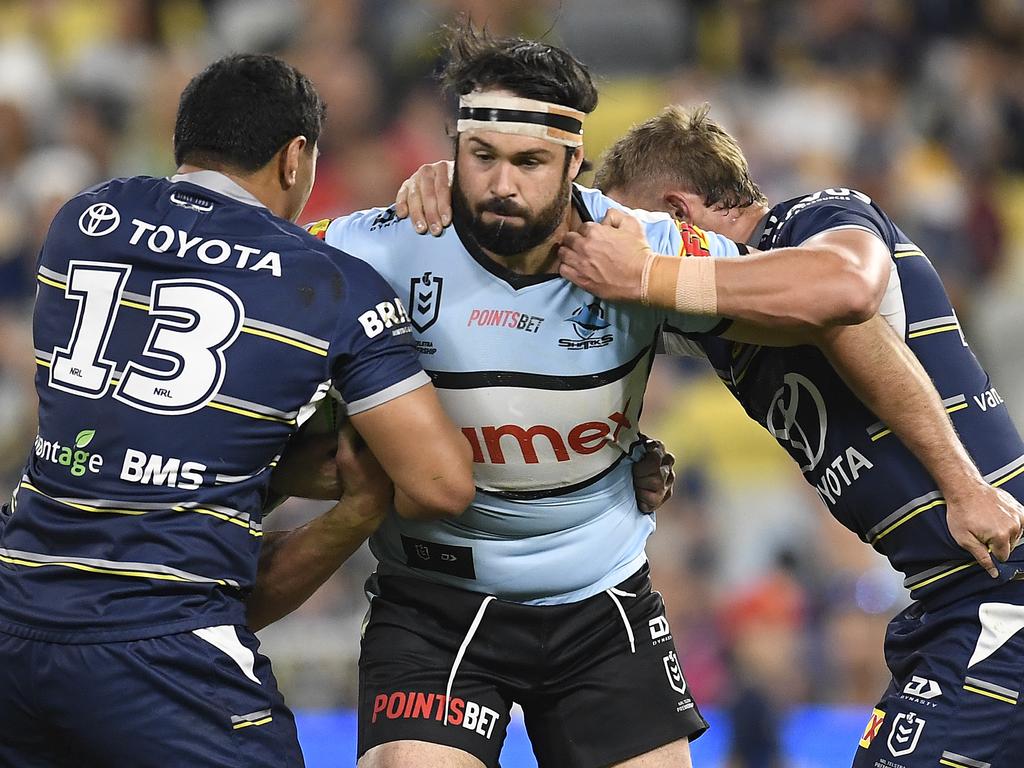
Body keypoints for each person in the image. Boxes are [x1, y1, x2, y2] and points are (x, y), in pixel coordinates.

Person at [399, 102, 1024, 767]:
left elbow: (846, 293)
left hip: (999, 586)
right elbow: (539, 291)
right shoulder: (720, 321)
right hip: (954, 595)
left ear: (674, 215)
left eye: (624, 228)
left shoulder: (814, 220)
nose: (609, 251)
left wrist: (964, 484)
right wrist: (453, 192)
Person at [0, 53, 475, 768]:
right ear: (295, 159)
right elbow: (442, 484)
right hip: (163, 650)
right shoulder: (329, 283)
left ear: (183, 144)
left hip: (15, 616)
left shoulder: (81, 220)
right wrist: (348, 491)